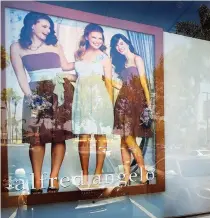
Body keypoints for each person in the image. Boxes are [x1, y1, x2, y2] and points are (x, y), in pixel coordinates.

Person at [9, 12, 76, 194]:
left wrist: (82, 59)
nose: (48, 30)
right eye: (44, 26)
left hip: (59, 91)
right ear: (32, 25)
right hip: (36, 93)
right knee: (37, 139)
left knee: (59, 137)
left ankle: (53, 181)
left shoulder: (55, 45)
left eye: (50, 27)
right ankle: (37, 183)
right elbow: (21, 75)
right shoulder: (17, 47)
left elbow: (66, 66)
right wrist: (30, 96)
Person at [72, 23, 114, 188]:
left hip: (99, 98)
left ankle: (98, 173)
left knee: (100, 137)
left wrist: (108, 106)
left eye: (100, 38)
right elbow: (78, 77)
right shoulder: (78, 54)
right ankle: (85, 174)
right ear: (87, 36)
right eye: (94, 37)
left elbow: (109, 83)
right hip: (82, 98)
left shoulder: (105, 57)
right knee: (83, 138)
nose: (97, 40)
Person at [110, 34, 152, 185]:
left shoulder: (137, 58)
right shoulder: (121, 64)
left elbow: (144, 83)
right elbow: (123, 86)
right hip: (121, 102)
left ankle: (143, 170)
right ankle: (127, 176)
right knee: (123, 141)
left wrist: (149, 105)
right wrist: (107, 81)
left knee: (129, 139)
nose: (119, 47)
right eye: (116, 45)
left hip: (135, 103)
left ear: (127, 43)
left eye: (121, 43)